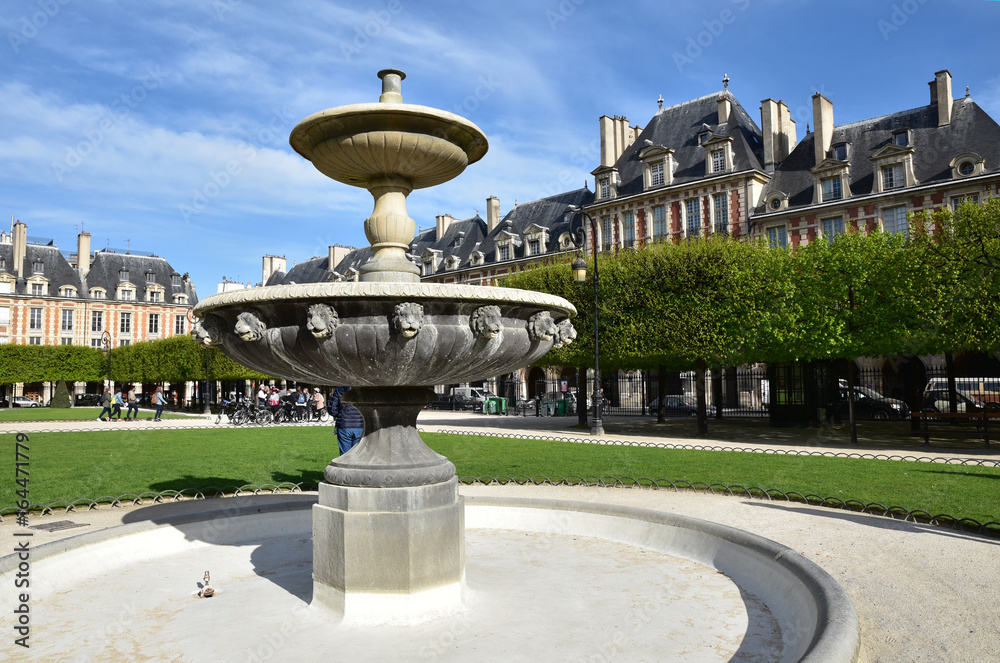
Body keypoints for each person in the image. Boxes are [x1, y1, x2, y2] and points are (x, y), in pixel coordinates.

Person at [329, 386, 364, 455]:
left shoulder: (340, 388)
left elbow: (332, 409)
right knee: (357, 455)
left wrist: (340, 414)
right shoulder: (362, 388)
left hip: (344, 424)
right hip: (359, 424)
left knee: (344, 456)